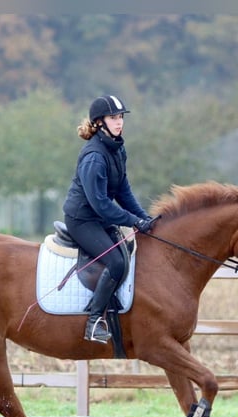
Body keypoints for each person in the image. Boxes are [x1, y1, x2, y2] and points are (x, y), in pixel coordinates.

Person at [62, 95, 156, 344]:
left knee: (127, 256)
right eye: (113, 118)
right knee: (116, 263)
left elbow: (123, 191)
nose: (119, 122)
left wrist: (144, 217)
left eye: (121, 117)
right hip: (82, 220)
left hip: (99, 218)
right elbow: (101, 205)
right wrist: (133, 221)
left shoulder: (116, 148)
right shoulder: (94, 157)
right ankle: (93, 322)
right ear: (100, 122)